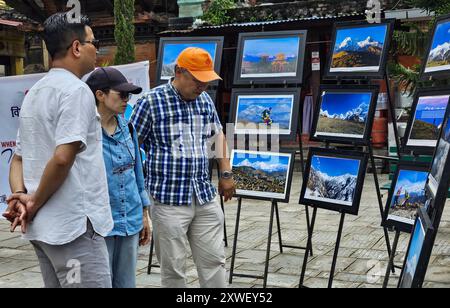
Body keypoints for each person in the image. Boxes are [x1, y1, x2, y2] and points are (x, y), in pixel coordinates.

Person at [2, 12, 113, 288]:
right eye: (92, 42)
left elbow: (17, 159)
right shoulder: (76, 91)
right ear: (76, 47)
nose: (96, 49)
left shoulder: (36, 92)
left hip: (43, 229)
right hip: (72, 229)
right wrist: (33, 201)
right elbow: (63, 158)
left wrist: (19, 195)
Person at [131, 47, 235, 288]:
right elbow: (130, 147)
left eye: (206, 82)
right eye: (197, 80)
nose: (202, 86)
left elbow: (218, 136)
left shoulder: (205, 101)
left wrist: (226, 172)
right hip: (168, 201)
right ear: (179, 72)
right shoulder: (151, 102)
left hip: (204, 195)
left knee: (215, 261)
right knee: (174, 268)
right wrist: (140, 200)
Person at [85, 67, 151, 288]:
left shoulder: (127, 126)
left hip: (129, 218)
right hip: (98, 222)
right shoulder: (84, 130)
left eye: (129, 95)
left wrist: (144, 212)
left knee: (126, 283)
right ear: (100, 95)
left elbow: (137, 172)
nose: (126, 100)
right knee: (100, 282)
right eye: (121, 95)